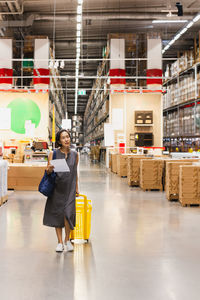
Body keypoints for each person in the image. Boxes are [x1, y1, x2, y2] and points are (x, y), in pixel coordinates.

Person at [43, 129, 79, 253]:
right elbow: (48, 172)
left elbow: (75, 173)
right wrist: (49, 169)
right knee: (58, 213)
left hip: (70, 188)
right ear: (59, 141)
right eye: (63, 138)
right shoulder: (53, 154)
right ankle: (59, 242)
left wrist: (77, 188)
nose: (66, 139)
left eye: (67, 137)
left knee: (68, 214)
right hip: (57, 188)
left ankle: (67, 240)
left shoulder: (75, 154)